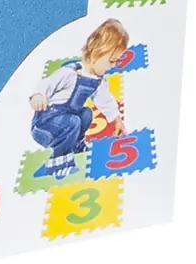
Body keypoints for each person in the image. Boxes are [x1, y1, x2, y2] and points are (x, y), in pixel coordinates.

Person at [29, 19, 128, 178]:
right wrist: (38, 96)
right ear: (96, 53)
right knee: (73, 121)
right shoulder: (70, 73)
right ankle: (58, 163)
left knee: (86, 113)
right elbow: (47, 84)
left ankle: (75, 145)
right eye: (111, 61)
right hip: (44, 126)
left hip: (67, 123)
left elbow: (105, 100)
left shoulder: (98, 80)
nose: (112, 66)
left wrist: (117, 119)